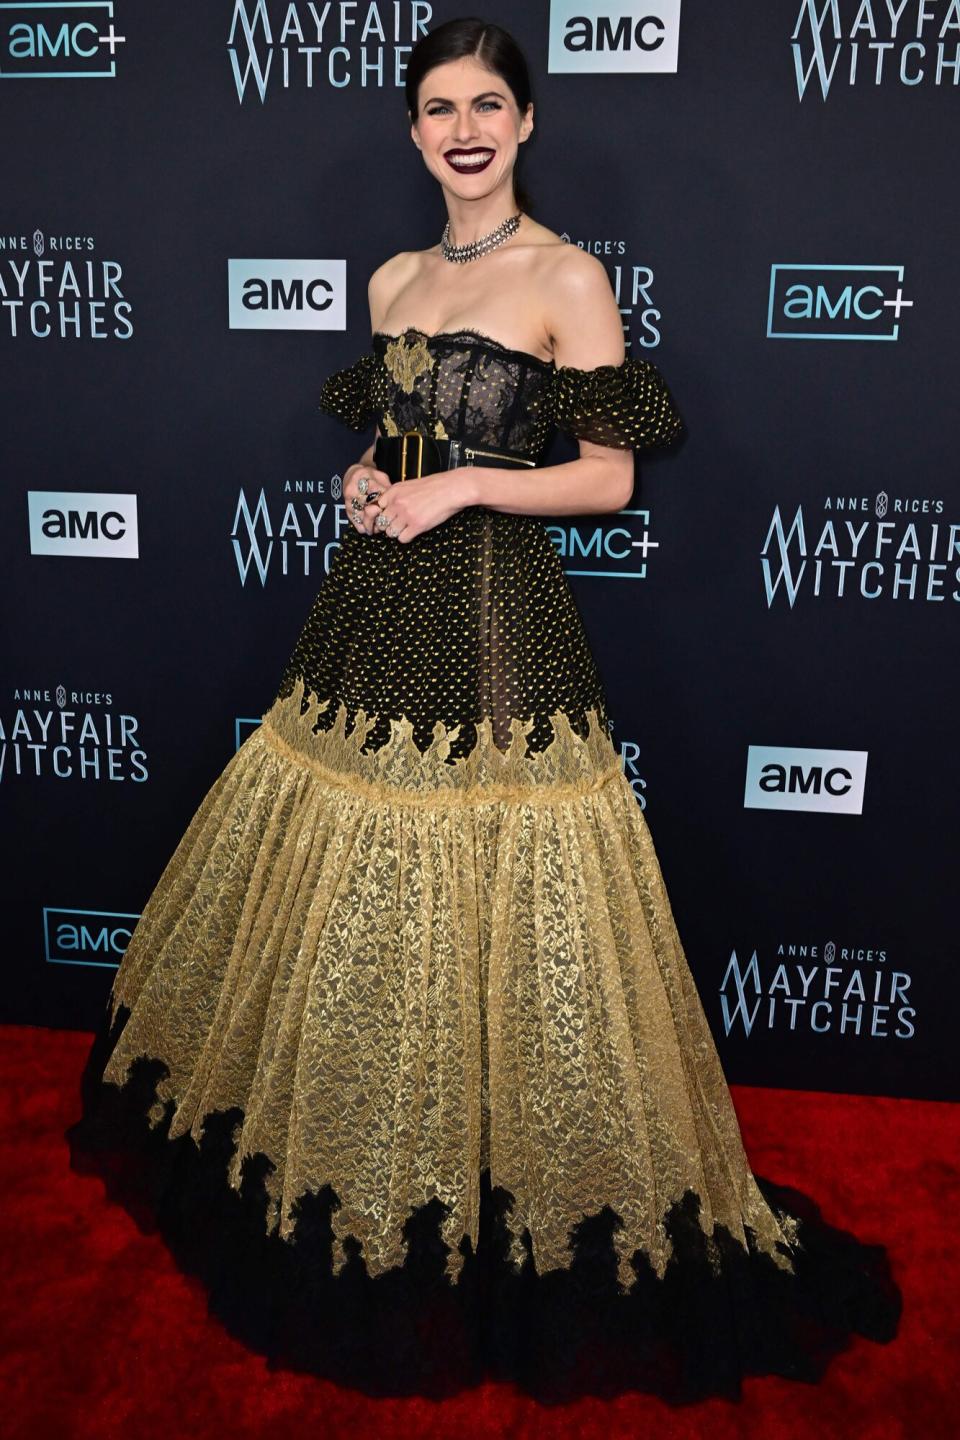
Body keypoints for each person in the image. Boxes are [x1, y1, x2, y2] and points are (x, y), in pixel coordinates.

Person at [70, 16, 902, 1403]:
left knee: (512, 879)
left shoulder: (566, 276)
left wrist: (460, 487)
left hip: (499, 610)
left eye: (489, 105)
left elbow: (611, 482)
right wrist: (370, 480)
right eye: (439, 106)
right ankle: (360, 1157)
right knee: (358, 877)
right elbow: (386, 431)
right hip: (373, 609)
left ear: (525, 124)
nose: (464, 127)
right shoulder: (392, 276)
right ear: (413, 131)